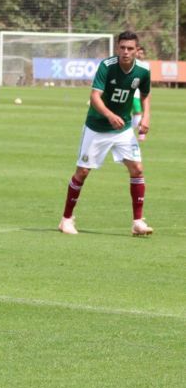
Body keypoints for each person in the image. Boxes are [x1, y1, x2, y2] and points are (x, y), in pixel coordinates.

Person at [58, 31, 153, 236]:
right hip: (97, 127)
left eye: (130, 48)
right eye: (122, 48)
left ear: (137, 50)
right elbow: (94, 97)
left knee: (137, 169)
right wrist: (110, 115)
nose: (126, 52)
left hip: (123, 129)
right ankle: (66, 219)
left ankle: (138, 221)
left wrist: (146, 117)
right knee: (82, 172)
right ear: (117, 48)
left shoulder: (143, 72)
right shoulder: (107, 66)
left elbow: (145, 95)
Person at [131, 46, 150, 141]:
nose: (140, 54)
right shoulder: (132, 64)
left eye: (142, 53)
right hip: (130, 92)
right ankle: (134, 132)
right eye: (138, 52)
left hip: (138, 94)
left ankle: (140, 133)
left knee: (137, 112)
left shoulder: (146, 66)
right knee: (134, 113)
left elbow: (147, 82)